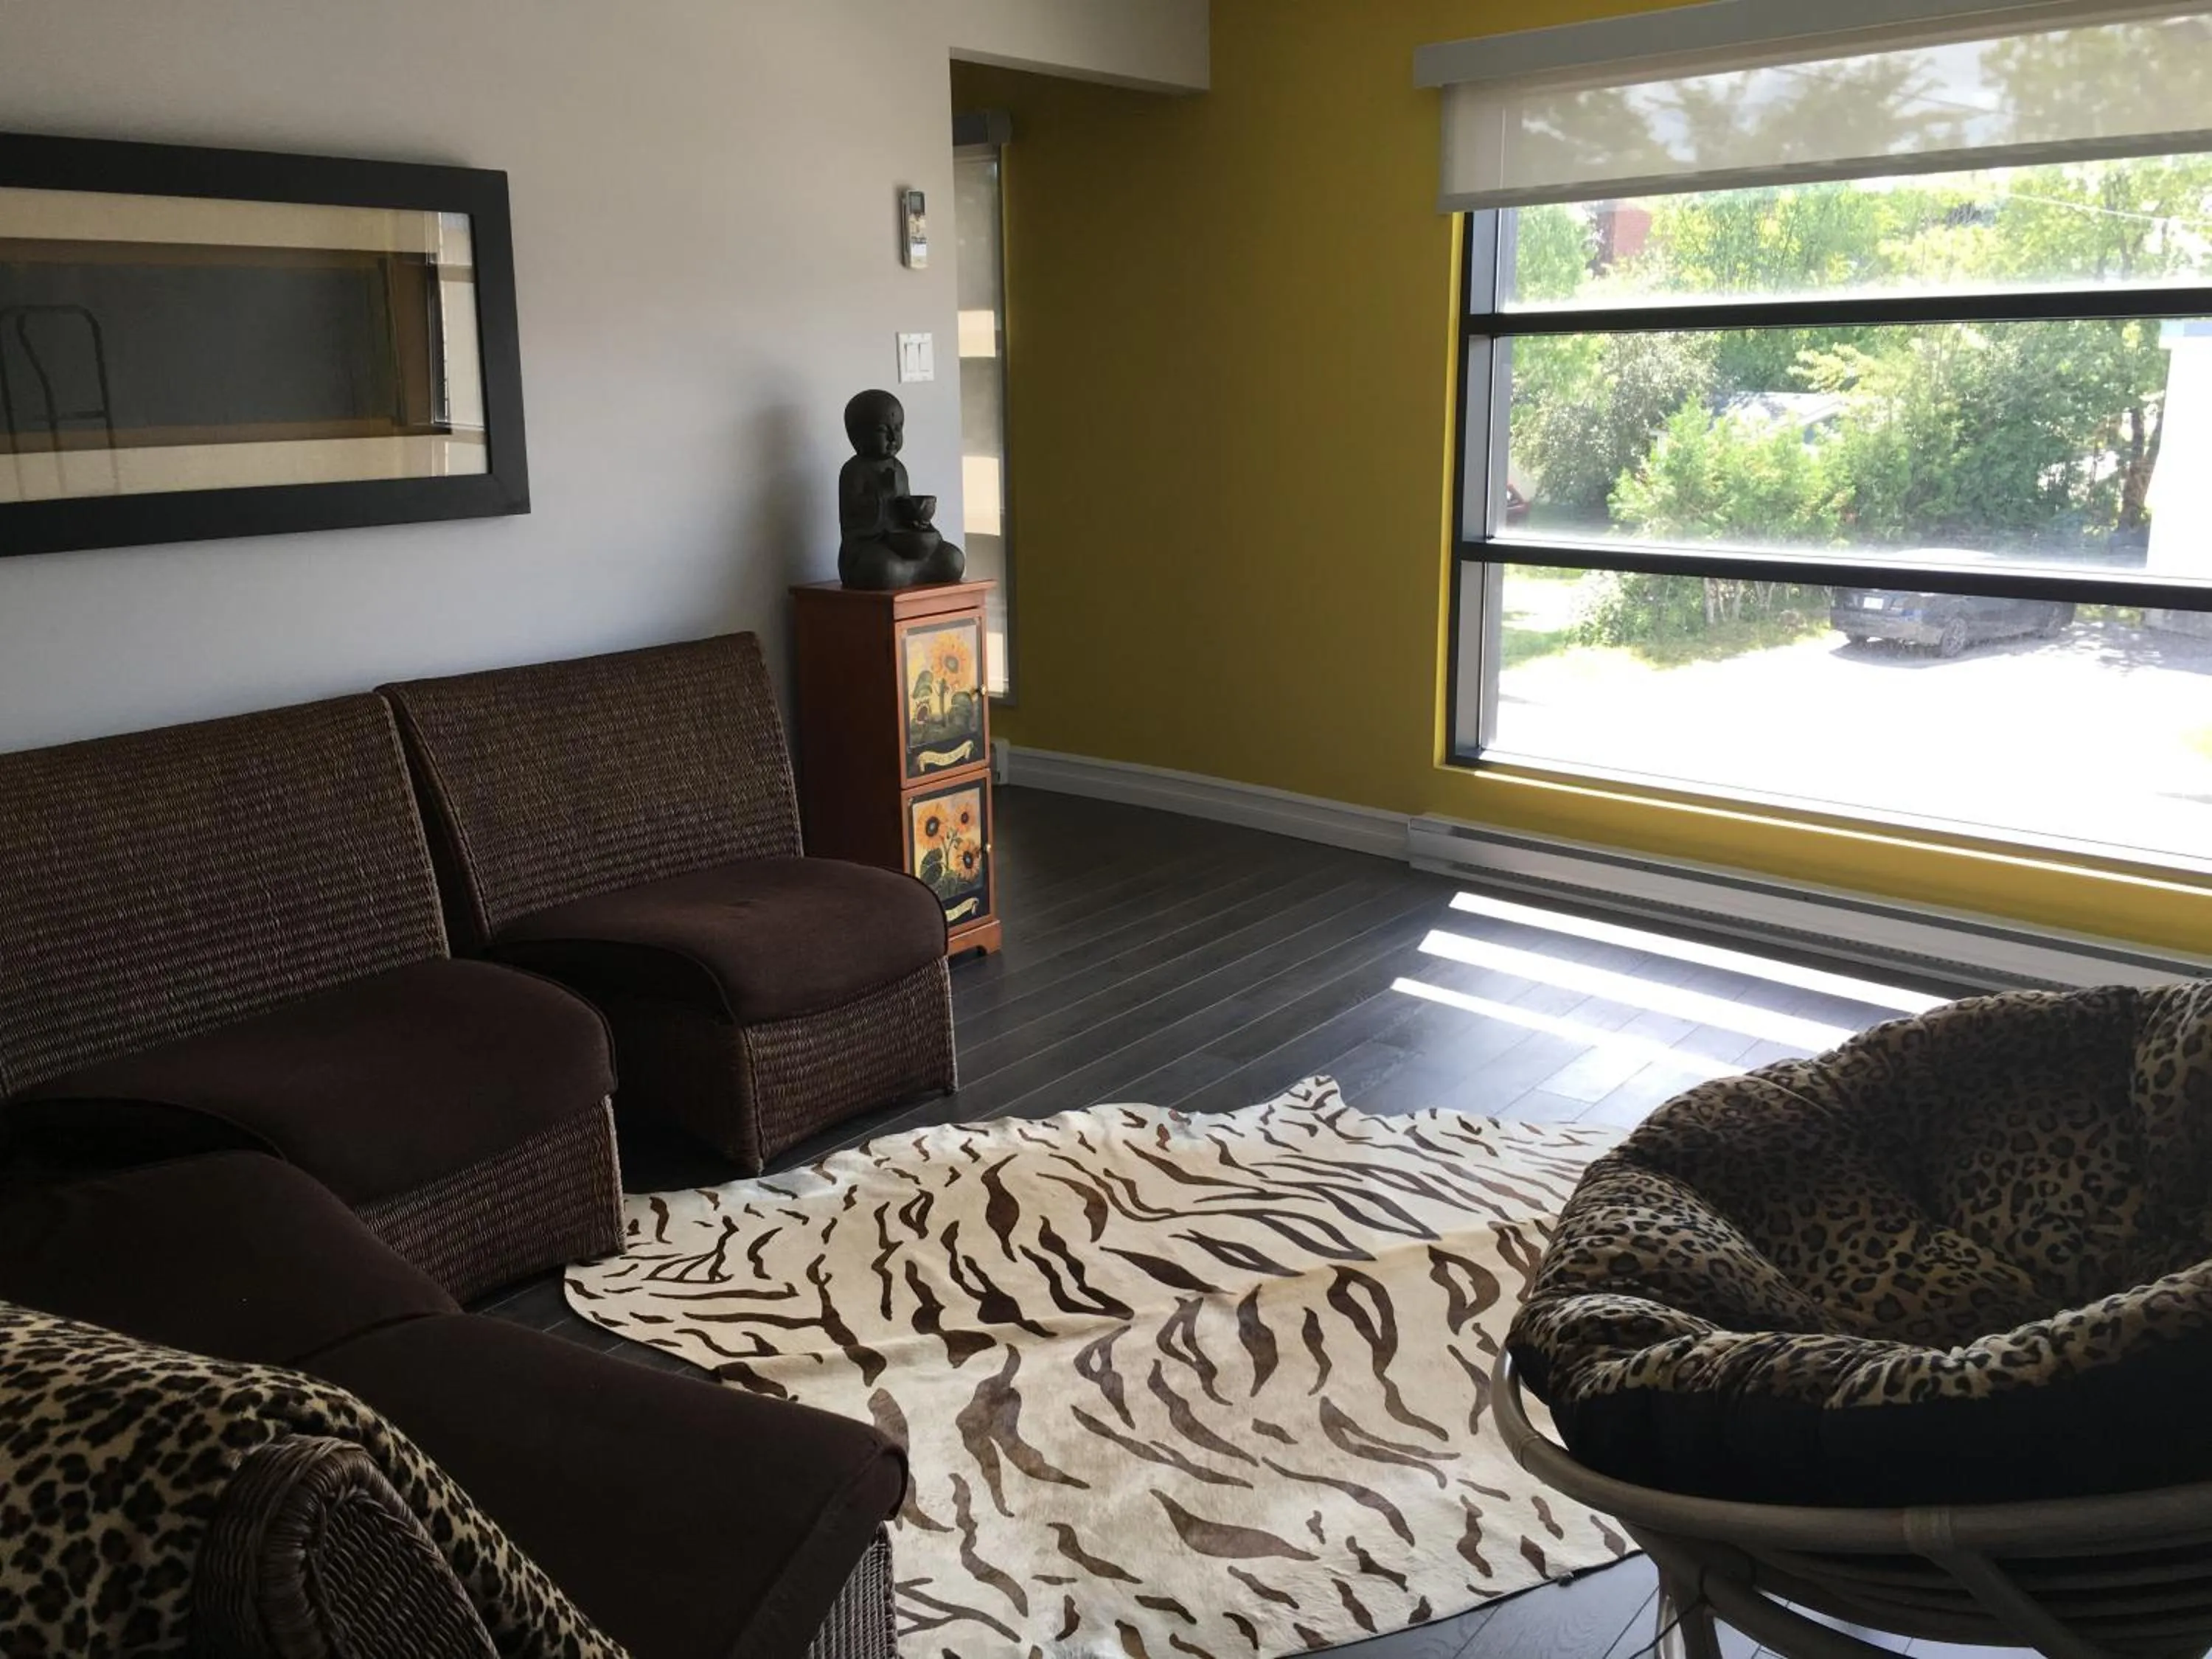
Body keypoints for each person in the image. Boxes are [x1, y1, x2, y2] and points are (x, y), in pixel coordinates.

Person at [837, 389, 966, 589]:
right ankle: (907, 572)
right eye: (882, 430)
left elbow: (902, 512)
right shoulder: (855, 470)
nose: (892, 437)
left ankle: (912, 572)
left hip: (900, 542)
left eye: (898, 428)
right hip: (871, 544)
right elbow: (854, 517)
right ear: (857, 436)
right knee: (885, 569)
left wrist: (917, 515)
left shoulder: (899, 469)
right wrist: (884, 497)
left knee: (953, 559)